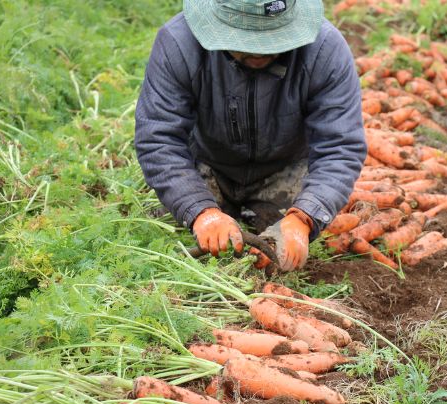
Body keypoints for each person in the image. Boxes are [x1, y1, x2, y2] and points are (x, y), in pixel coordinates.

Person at [134, 0, 366, 271]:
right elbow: (158, 138)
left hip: (285, 170)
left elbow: (341, 146)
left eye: (272, 41)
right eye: (246, 43)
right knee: (171, 233)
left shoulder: (324, 49)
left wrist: (304, 217)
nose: (258, 52)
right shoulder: (179, 43)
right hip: (206, 166)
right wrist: (200, 210)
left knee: (280, 255)